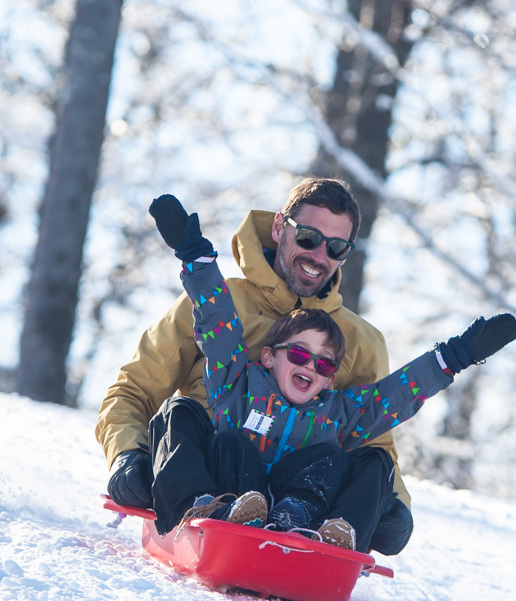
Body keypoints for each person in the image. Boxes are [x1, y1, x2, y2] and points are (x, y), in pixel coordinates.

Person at [148, 194, 516, 549]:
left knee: (361, 460)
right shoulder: (239, 386)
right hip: (229, 499)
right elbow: (219, 324)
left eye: (323, 363)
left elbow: (397, 395)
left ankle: (321, 528)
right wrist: (196, 257)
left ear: (329, 378)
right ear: (267, 357)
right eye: (298, 353)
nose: (309, 365)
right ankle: (208, 506)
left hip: (293, 510)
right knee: (198, 423)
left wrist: (456, 355)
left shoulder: (336, 414)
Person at [98, 178, 410, 554]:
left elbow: (374, 439)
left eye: (336, 247)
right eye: (308, 237)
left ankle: (314, 540)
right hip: (214, 475)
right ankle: (207, 507)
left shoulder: (360, 342)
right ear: (280, 228)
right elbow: (136, 389)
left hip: (305, 497)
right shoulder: (216, 300)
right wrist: (127, 454)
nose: (319, 255)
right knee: (181, 414)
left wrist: (395, 506)